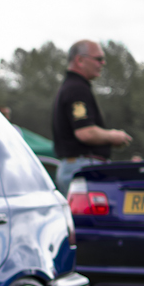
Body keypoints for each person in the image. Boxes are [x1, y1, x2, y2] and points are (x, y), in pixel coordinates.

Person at [51, 39, 132, 190]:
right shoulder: (77, 89)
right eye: (99, 59)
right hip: (83, 167)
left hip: (74, 166)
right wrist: (113, 136)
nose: (103, 63)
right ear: (80, 60)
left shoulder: (71, 87)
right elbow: (85, 133)